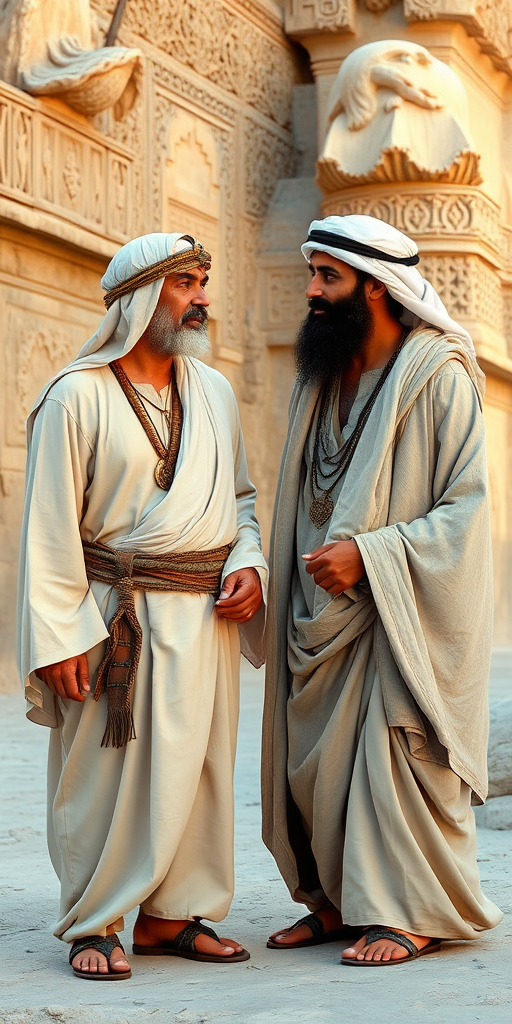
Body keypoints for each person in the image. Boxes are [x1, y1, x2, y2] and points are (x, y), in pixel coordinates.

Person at [17, 232, 267, 979]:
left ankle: (169, 916)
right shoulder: (76, 395)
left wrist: (248, 560)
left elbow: (243, 502)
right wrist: (57, 636)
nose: (202, 298)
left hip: (204, 619)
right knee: (104, 772)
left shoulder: (215, 392)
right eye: (187, 283)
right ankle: (95, 920)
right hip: (113, 619)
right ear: (141, 297)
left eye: (202, 282)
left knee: (198, 771)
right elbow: (50, 529)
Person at [262, 214, 502, 966]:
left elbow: (466, 509)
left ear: (377, 286)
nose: (311, 291)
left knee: (392, 758)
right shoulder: (321, 376)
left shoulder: (439, 374)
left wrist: (371, 556)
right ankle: (338, 903)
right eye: (312, 274)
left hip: (397, 614)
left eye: (327, 277)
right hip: (320, 611)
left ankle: (412, 910)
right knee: (318, 766)